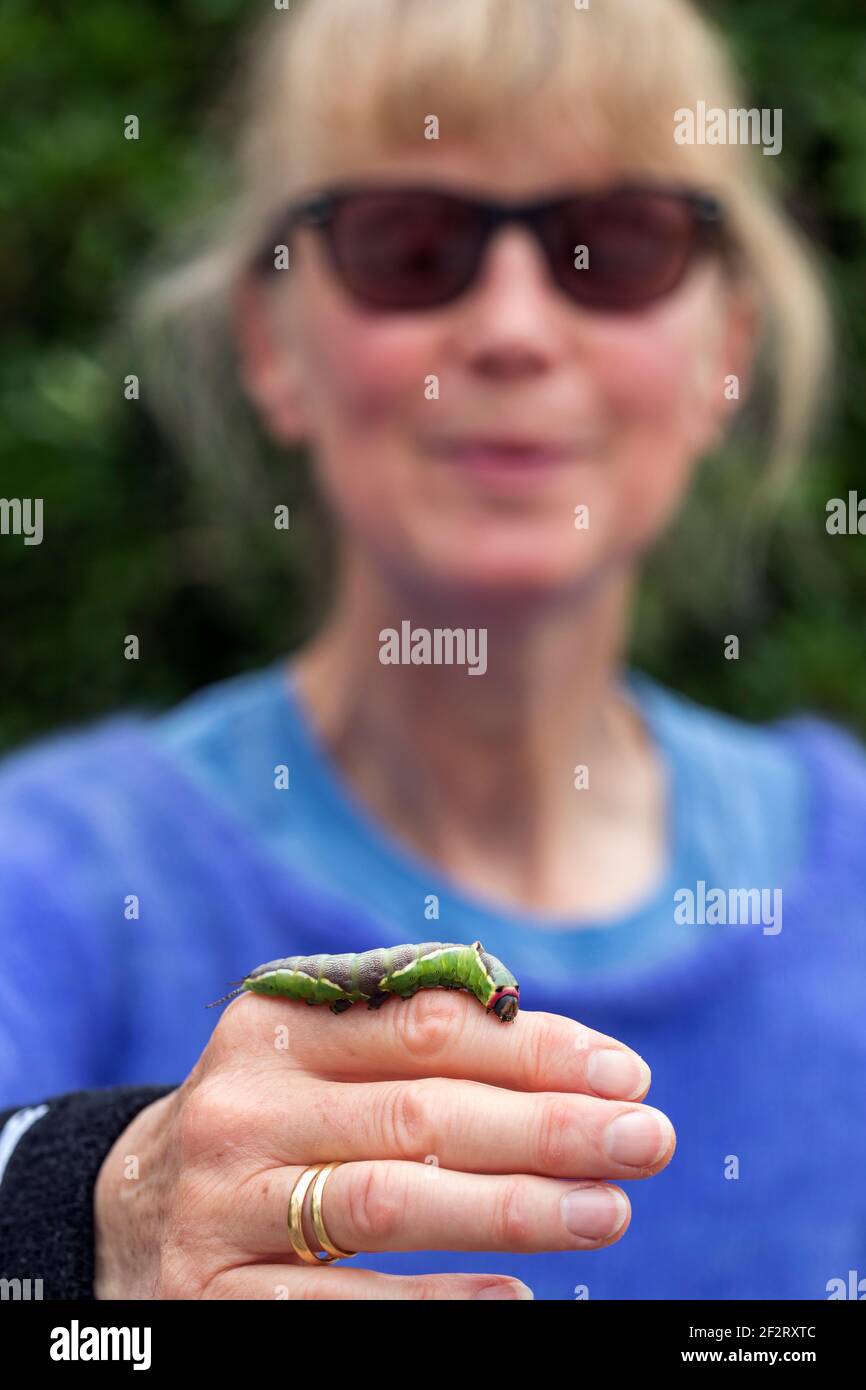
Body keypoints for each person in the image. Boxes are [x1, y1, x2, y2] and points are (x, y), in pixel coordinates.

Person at [1, 0, 864, 1302]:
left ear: (722, 352)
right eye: (407, 246)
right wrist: (79, 1218)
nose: (512, 329)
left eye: (613, 247)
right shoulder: (51, 880)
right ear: (269, 343)